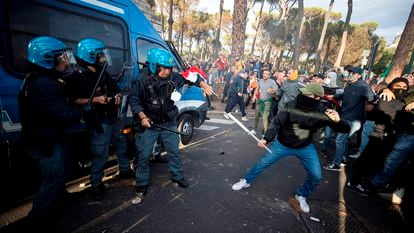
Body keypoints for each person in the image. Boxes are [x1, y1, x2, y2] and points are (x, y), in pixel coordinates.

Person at [231, 83, 350, 213]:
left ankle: (301, 194)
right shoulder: (291, 105)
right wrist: (267, 138)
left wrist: (338, 121)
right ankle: (246, 180)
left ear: (316, 98)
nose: (302, 94)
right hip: (282, 144)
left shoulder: (322, 112)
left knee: (316, 176)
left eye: (306, 93)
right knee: (263, 163)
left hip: (305, 147)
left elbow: (344, 129)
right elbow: (276, 122)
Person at [19, 36, 84, 230]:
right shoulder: (44, 84)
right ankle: (36, 220)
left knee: (60, 171)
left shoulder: (38, 78)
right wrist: (83, 110)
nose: (65, 61)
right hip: (43, 140)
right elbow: (64, 115)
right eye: (61, 57)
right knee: (52, 180)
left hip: (48, 136)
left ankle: (60, 198)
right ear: (48, 59)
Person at [129, 48, 213, 198]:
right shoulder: (141, 80)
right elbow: (134, 100)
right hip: (150, 124)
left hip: (169, 122)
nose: (168, 71)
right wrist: (142, 117)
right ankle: (142, 183)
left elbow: (191, 77)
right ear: (154, 66)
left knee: (174, 151)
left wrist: (204, 86)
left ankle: (177, 176)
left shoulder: (173, 77)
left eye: (170, 68)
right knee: (144, 154)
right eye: (165, 68)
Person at [68, 38, 133, 201]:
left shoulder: (102, 72)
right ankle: (96, 184)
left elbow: (114, 89)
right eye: (100, 55)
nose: (104, 58)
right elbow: (73, 100)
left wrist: (116, 97)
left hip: (113, 117)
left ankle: (125, 170)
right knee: (100, 154)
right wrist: (96, 100)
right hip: (98, 121)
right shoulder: (78, 76)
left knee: (120, 143)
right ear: (91, 56)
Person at [324, 66, 375, 171]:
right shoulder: (349, 85)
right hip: (345, 116)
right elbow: (344, 96)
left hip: (353, 119)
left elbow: (373, 99)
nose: (350, 74)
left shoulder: (364, 86)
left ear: (359, 75)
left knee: (340, 140)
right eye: (350, 72)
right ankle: (343, 160)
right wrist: (333, 97)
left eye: (353, 73)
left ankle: (336, 164)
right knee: (343, 140)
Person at [252, 69, 278, 135]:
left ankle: (265, 133)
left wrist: (272, 90)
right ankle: (254, 130)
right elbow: (257, 89)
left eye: (266, 74)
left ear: (269, 75)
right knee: (256, 116)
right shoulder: (260, 80)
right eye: (264, 73)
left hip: (267, 102)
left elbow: (276, 90)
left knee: (264, 117)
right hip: (259, 101)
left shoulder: (272, 82)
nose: (264, 75)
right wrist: (254, 96)